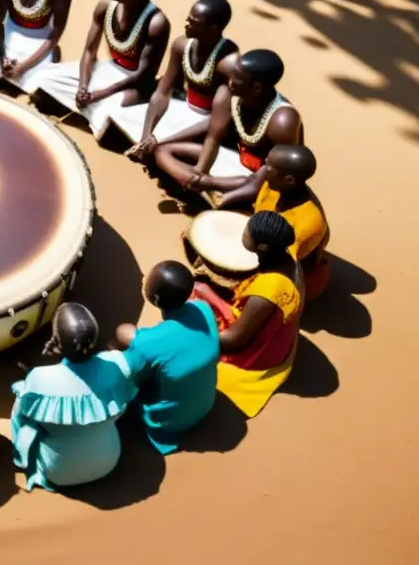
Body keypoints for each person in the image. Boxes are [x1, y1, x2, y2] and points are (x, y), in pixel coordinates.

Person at [32, 0, 171, 139]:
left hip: (132, 83)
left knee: (110, 111)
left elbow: (142, 76)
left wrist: (98, 95)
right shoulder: (106, 4)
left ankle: (97, 113)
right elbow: (90, 51)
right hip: (107, 69)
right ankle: (89, 108)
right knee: (44, 77)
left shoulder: (156, 23)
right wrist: (83, 86)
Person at [10, 303, 137, 492]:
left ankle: (21, 457)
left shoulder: (39, 377)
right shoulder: (117, 364)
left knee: (21, 395)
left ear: (56, 341)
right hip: (108, 462)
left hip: (58, 472)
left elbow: (26, 414)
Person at [192, 211, 305, 418]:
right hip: (264, 321)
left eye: (245, 233)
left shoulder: (268, 289)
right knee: (201, 288)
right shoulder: (290, 260)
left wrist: (194, 335)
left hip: (253, 355)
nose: (241, 234)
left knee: (193, 303)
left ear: (262, 247)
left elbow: (234, 340)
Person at [153, 49, 302, 203]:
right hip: (232, 162)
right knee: (163, 151)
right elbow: (213, 132)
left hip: (257, 178)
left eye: (237, 79)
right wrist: (162, 142)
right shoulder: (231, 95)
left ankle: (208, 191)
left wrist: (208, 184)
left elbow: (271, 178)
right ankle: (196, 184)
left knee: (256, 186)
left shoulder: (283, 122)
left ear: (256, 87)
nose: (230, 81)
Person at [114, 261, 219, 454]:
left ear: (155, 298)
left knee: (123, 335)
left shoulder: (148, 343)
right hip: (205, 406)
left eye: (147, 282)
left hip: (170, 422)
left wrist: (129, 340)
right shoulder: (203, 309)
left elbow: (133, 378)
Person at [125, 0, 238, 161]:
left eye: (194, 21)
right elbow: (162, 92)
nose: (187, 23)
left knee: (165, 149)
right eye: (188, 18)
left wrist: (158, 139)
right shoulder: (181, 46)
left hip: (207, 124)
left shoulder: (228, 63)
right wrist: (146, 135)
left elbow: (218, 120)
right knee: (126, 114)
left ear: (213, 28)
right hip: (184, 108)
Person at [250, 145, 331, 300]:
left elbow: (281, 264)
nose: (263, 169)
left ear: (289, 180)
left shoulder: (309, 222)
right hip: (266, 250)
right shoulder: (273, 184)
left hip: (293, 274)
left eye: (268, 167)